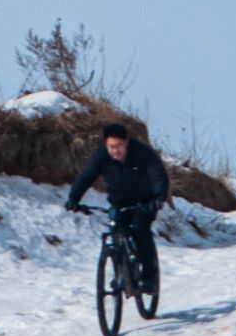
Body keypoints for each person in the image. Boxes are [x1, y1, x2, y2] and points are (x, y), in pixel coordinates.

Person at [64, 123, 169, 288]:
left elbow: (158, 175)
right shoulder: (101, 156)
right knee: (116, 231)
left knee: (140, 228)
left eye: (119, 146)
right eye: (111, 147)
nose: (115, 151)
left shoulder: (142, 153)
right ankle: (121, 273)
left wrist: (158, 197)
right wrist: (73, 199)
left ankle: (149, 276)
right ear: (106, 145)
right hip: (119, 203)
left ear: (126, 142)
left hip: (145, 202)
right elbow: (86, 177)